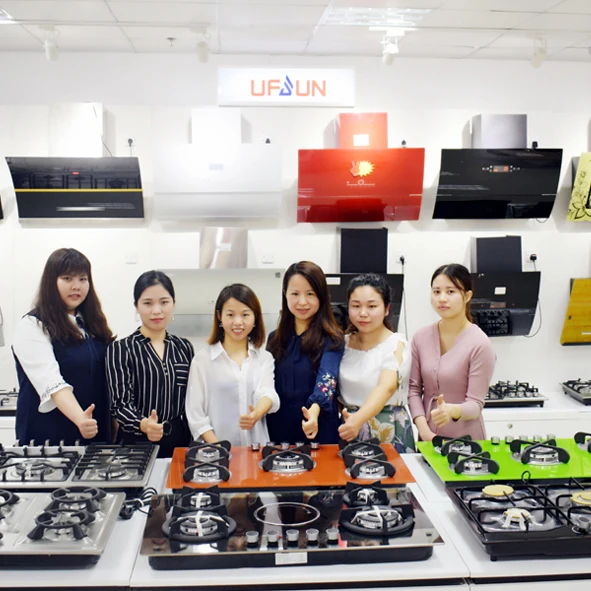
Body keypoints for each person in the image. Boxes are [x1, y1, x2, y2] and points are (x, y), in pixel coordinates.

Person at [12, 248, 114, 445]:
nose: (76, 286)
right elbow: (52, 382)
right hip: (48, 441)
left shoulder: (91, 324)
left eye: (83, 279)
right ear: (51, 282)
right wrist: (80, 419)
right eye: (67, 278)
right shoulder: (33, 325)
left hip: (94, 436)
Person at [106, 271, 194, 458]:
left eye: (164, 302)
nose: (156, 310)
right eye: (148, 303)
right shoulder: (121, 349)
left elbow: (192, 400)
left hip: (179, 441)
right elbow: (120, 405)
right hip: (136, 443)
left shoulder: (184, 347)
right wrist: (143, 424)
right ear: (136, 306)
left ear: (173, 303)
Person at [408, 263, 496, 442]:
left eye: (450, 291)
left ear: (467, 296)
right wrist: (425, 432)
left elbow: (475, 405)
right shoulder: (420, 337)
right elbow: (413, 390)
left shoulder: (480, 343)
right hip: (427, 437)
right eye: (436, 291)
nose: (442, 298)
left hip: (466, 438)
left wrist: (451, 410)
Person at [185, 284, 280, 446]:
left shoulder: (264, 358)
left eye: (245, 315)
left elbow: (267, 393)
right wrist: (220, 448)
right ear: (219, 316)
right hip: (216, 453)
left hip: (256, 451)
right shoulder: (202, 360)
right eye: (230, 314)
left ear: (255, 317)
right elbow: (196, 415)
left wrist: (257, 413)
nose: (238, 322)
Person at [266, 261, 344, 444]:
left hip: (319, 428)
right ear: (285, 294)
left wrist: (314, 412)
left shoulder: (332, 338)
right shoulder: (274, 339)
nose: (302, 302)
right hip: (279, 430)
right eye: (295, 294)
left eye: (310, 294)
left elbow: (327, 379)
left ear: (321, 296)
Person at [338, 274, 415, 453]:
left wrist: (358, 420)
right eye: (356, 306)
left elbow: (386, 387)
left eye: (372, 306)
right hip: (349, 428)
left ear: (386, 309)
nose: (363, 313)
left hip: (389, 428)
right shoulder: (342, 344)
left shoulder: (396, 344)